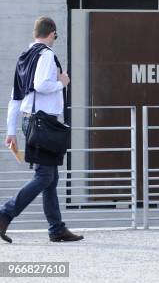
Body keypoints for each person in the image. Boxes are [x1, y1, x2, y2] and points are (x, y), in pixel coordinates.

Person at [0, 17, 83, 243]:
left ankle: (56, 228)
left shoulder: (24, 58)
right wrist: (62, 82)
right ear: (52, 33)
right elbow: (41, 85)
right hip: (43, 123)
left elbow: (15, 98)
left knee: (51, 177)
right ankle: (5, 213)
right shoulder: (45, 55)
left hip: (31, 122)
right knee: (44, 175)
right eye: (56, 35)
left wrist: (10, 131)